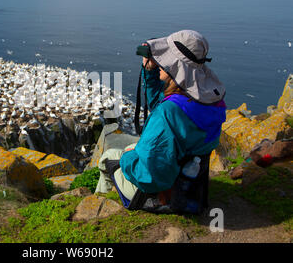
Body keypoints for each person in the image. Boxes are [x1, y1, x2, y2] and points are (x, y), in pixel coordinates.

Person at [95, 30, 227, 212]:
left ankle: (99, 202)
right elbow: (165, 104)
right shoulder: (211, 100)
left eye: (166, 59)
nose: (161, 62)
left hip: (162, 193)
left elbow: (148, 176)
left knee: (109, 157)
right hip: (190, 181)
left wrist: (128, 157)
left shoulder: (167, 114)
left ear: (175, 66)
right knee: (135, 148)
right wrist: (149, 72)